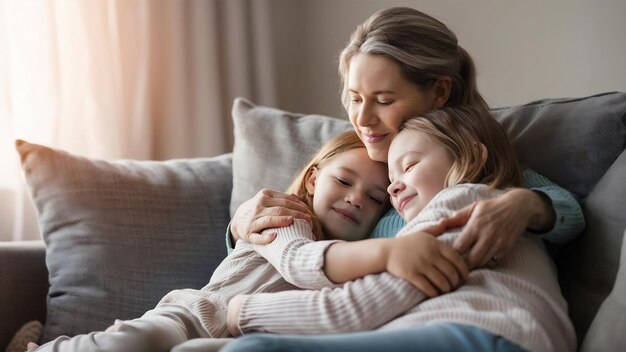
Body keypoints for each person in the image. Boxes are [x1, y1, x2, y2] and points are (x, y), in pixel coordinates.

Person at [222, 6, 584, 352]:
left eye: (383, 100)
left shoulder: (463, 172)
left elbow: (567, 210)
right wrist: (240, 227)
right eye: (354, 98)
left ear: (440, 92)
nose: (362, 118)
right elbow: (305, 252)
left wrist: (525, 204)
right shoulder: (352, 163)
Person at [223, 107, 576, 352]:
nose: (391, 190)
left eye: (408, 167)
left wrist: (242, 311)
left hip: (481, 334)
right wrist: (240, 230)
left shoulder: (466, 203)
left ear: (471, 157)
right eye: (390, 181)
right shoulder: (383, 216)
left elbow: (355, 307)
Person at [27, 131, 392, 352]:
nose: (356, 198)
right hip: (193, 317)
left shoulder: (352, 266)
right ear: (313, 180)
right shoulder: (285, 216)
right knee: (139, 342)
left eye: (375, 198)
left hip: (240, 341)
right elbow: (304, 261)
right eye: (344, 181)